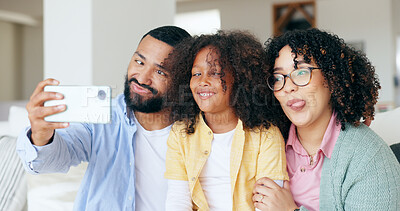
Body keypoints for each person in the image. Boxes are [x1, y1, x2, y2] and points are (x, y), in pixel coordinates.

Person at [16, 26, 191, 211]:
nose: (142, 78)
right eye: (139, 62)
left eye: (160, 72)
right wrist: (41, 135)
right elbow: (47, 162)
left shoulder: (196, 132)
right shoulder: (102, 117)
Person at [252, 28, 400, 211]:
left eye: (301, 72)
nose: (288, 87)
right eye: (278, 77)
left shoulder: (370, 157)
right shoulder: (266, 145)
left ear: (331, 78)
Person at [163, 30, 289, 210]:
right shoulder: (180, 132)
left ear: (238, 79)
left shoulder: (266, 135)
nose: (203, 81)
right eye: (196, 74)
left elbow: (268, 205)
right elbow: (177, 200)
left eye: (214, 73)